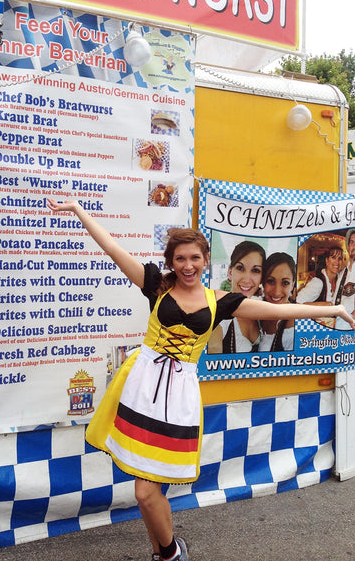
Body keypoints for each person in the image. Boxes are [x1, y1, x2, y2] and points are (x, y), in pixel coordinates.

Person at [46, 198, 355, 561]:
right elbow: (112, 248)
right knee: (144, 490)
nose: (188, 265)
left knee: (146, 491)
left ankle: (170, 552)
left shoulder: (221, 301)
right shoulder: (156, 285)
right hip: (141, 387)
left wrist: (336, 309)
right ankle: (167, 551)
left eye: (194, 258)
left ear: (206, 260)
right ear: (171, 263)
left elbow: (280, 308)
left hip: (177, 396)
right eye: (180, 259)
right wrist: (77, 209)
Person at [207, 241, 265, 354]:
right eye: (240, 268)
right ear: (230, 272)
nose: (247, 279)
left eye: (255, 270)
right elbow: (212, 362)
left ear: (261, 277)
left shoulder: (261, 307)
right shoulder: (218, 315)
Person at [259, 252, 296, 351]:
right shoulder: (257, 309)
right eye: (271, 281)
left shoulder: (293, 328)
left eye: (285, 283)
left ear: (292, 285)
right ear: (263, 282)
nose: (277, 292)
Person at [335, 229, 355, 329]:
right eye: (352, 242)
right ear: (348, 246)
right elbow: (335, 302)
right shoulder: (342, 274)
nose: (354, 246)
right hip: (337, 328)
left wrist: (350, 318)